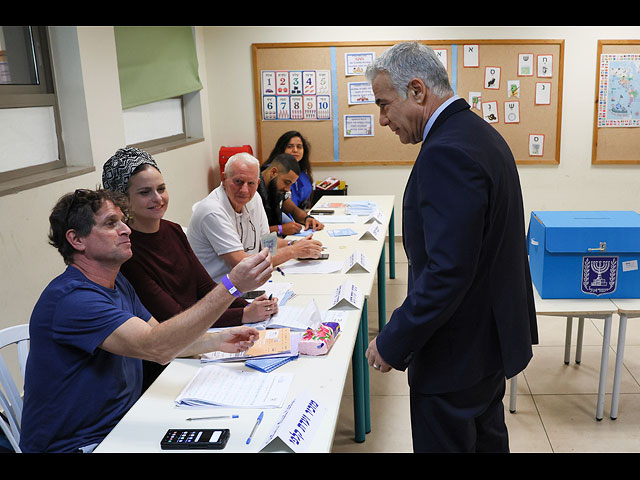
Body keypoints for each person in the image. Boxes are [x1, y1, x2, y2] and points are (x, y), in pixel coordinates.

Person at [363, 42, 538, 453]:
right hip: (487, 341)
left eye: (384, 104)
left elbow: (448, 271)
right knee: (486, 440)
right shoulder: (478, 133)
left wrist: (392, 339)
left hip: (456, 354)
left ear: (418, 91)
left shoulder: (446, 152)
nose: (383, 119)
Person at [19, 188, 272, 453]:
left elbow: (160, 335)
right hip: (79, 445)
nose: (126, 229)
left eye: (122, 220)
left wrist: (216, 341)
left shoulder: (118, 282)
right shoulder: (73, 300)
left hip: (122, 425)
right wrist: (231, 286)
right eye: (110, 223)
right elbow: (156, 348)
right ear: (76, 240)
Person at [102, 147, 278, 391]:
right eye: (145, 192)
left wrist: (251, 306)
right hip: (171, 360)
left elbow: (204, 286)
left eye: (161, 189)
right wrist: (243, 314)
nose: (158, 198)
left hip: (199, 339)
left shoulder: (172, 230)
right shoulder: (128, 251)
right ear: (123, 200)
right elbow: (173, 316)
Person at [187, 152, 323, 283]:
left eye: (251, 183)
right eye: (238, 181)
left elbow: (265, 242)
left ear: (258, 183)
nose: (244, 190)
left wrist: (295, 245)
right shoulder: (212, 211)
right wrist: (293, 251)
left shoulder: (254, 198)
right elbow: (244, 265)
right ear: (223, 178)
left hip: (245, 283)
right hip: (218, 291)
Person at [258, 153, 323, 236]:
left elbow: (294, 210)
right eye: (286, 182)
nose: (288, 189)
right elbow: (250, 233)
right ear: (273, 172)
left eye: (291, 184)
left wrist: (307, 218)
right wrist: (280, 229)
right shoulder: (252, 189)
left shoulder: (276, 188)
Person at [265, 131, 314, 210]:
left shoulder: (303, 172)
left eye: (299, 147)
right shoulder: (273, 172)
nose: (295, 150)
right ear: (281, 149)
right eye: (290, 146)